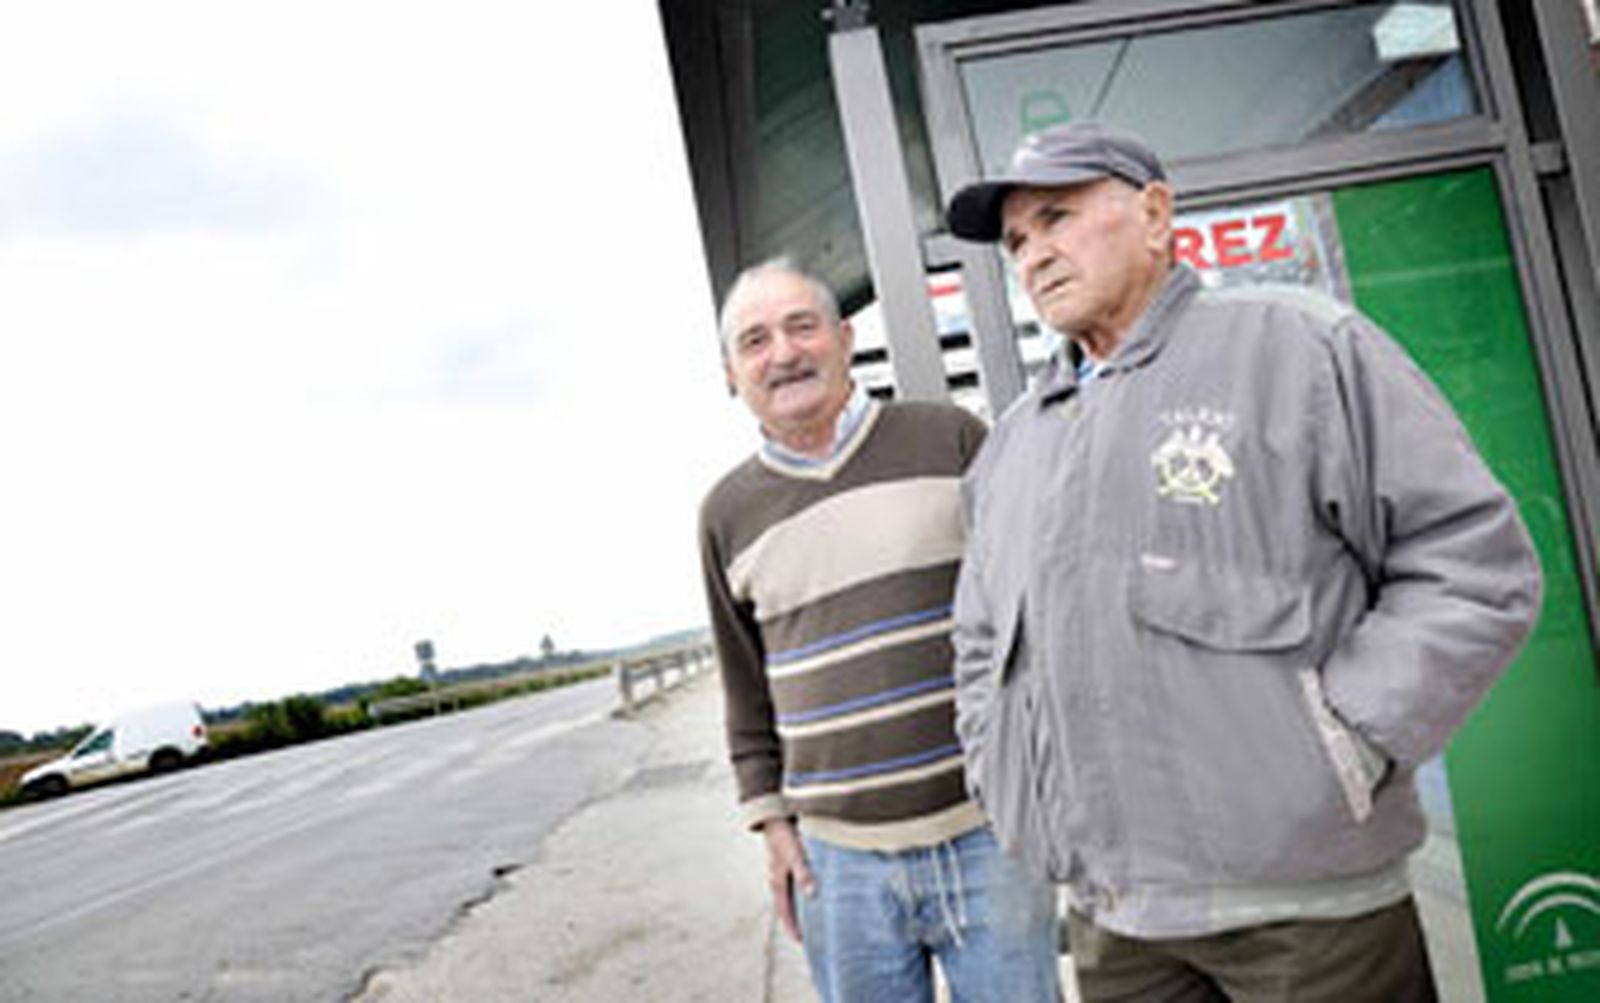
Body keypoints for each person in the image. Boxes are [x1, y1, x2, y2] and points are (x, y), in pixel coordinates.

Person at [943, 121, 1542, 1002]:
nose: (1035, 254)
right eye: (1018, 241)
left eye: (1059, 217)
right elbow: (979, 644)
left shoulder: (1297, 347)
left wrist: (1347, 740)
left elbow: (1474, 565)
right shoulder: (1012, 449)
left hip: (1311, 920)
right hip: (1118, 924)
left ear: (1154, 214)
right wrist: (1005, 779)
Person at [698, 259, 1061, 1002]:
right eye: (756, 341)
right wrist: (771, 823)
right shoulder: (724, 514)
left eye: (802, 326)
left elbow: (1033, 616)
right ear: (732, 373)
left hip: (988, 832)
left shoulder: (950, 437)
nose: (784, 353)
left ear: (844, 337)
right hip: (839, 861)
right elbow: (744, 687)